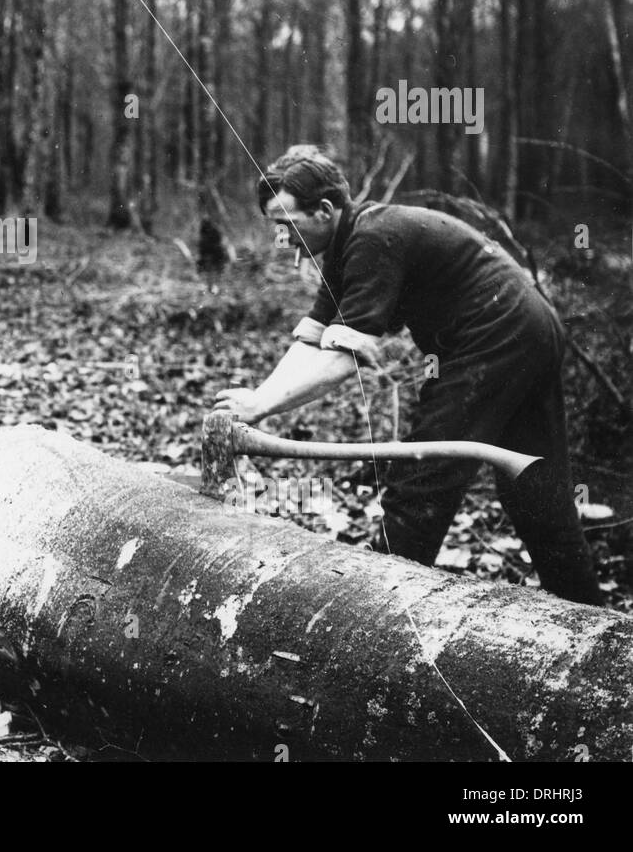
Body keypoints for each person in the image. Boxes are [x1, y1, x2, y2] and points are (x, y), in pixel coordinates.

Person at [214, 145, 601, 606]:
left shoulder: (372, 239)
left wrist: (261, 407)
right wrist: (257, 399)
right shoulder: (344, 244)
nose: (282, 238)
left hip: (498, 335)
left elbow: (344, 359)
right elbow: (313, 341)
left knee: (424, 475)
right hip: (531, 330)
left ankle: (374, 609)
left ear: (323, 210)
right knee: (533, 485)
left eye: (286, 223)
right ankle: (588, 612)